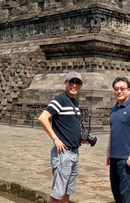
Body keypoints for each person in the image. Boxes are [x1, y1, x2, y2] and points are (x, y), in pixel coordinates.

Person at [38, 71, 87, 203]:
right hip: (63, 153)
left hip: (74, 152)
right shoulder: (60, 100)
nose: (74, 85)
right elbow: (43, 118)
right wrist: (55, 139)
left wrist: (80, 138)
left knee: (67, 192)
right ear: (65, 83)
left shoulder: (74, 103)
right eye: (71, 82)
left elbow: (68, 126)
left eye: (78, 83)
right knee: (58, 194)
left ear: (81, 85)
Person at [105, 76, 130, 203]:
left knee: (127, 196)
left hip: (127, 158)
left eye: (122, 88)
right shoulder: (114, 108)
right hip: (115, 157)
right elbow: (113, 132)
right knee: (117, 194)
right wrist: (108, 153)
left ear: (129, 90)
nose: (119, 91)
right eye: (116, 89)